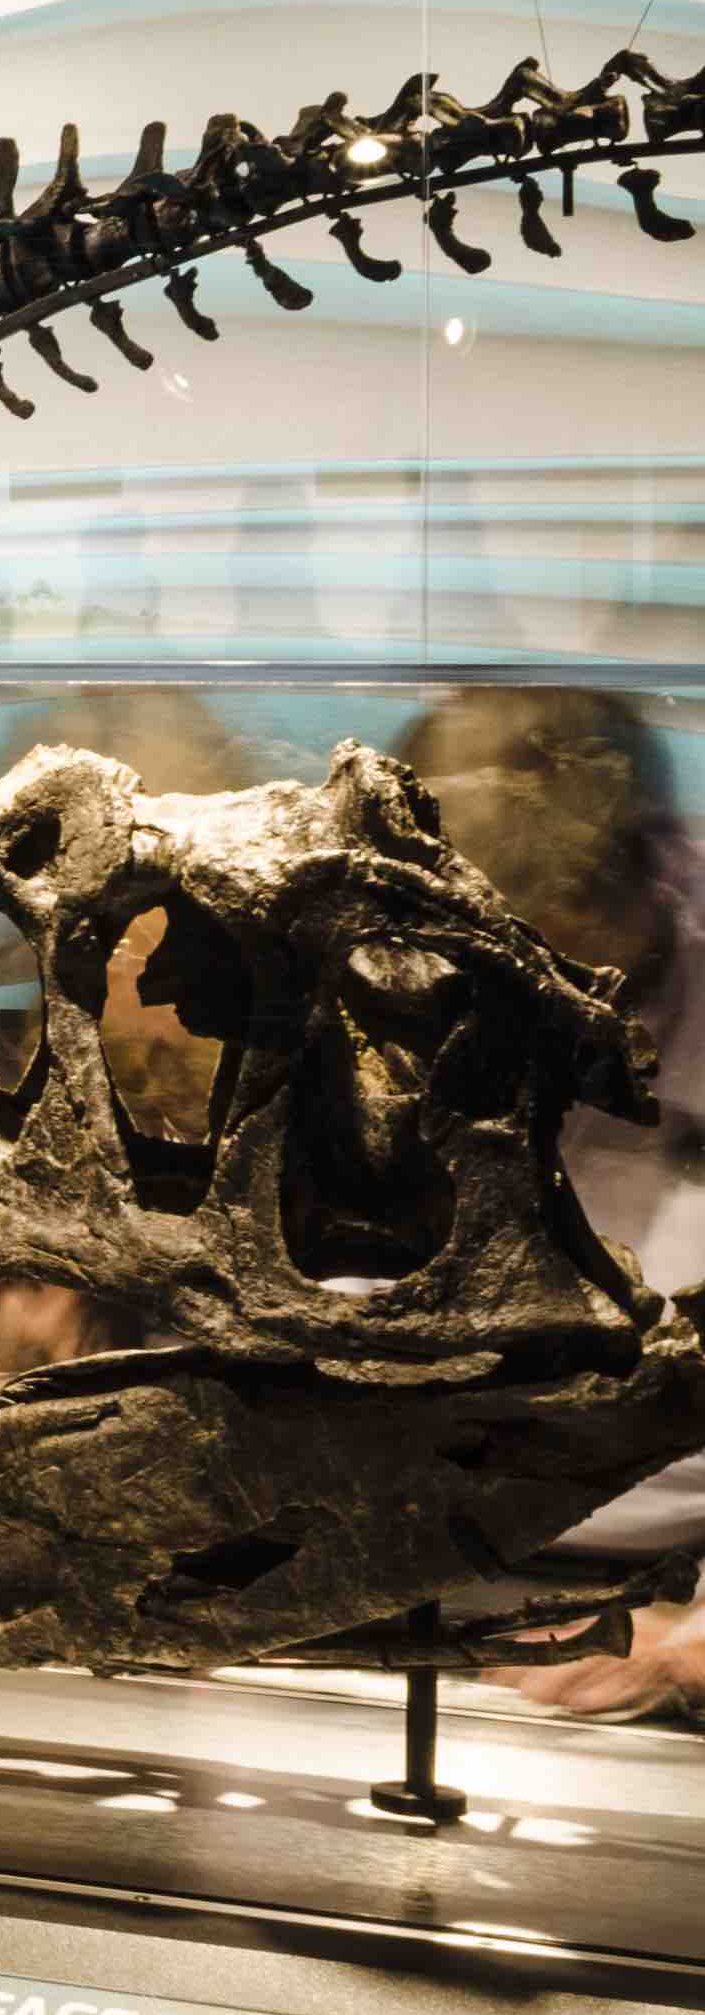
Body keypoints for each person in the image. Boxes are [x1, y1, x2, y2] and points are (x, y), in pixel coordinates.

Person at [393, 688, 705, 1718]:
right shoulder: (389, 996)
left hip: (655, 1603)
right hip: (392, 1568)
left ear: (645, 884)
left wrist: (686, 1637)